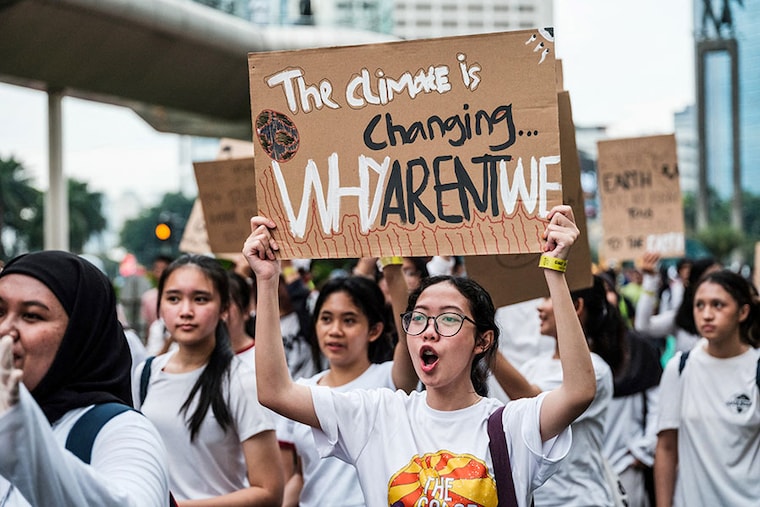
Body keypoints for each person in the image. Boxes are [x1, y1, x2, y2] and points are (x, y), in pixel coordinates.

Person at [244, 205, 597, 507]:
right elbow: (276, 392)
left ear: (483, 341)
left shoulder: (512, 424)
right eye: (419, 318)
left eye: (448, 318)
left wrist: (554, 271)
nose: (429, 329)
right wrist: (267, 280)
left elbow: (579, 391)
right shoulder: (377, 416)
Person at [0, 250, 170, 506]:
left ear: (79, 335)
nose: (5, 329)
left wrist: (18, 431)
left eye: (32, 315)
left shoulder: (121, 431)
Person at [133, 254, 284, 506]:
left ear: (224, 309)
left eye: (200, 299)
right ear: (160, 307)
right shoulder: (145, 373)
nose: (185, 311)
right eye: (173, 299)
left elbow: (269, 492)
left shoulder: (241, 382)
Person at [278, 265, 419, 506]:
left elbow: (408, 340)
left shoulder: (390, 381)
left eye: (349, 320)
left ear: (374, 330)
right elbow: (300, 476)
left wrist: (392, 269)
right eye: (326, 319)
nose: (335, 331)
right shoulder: (300, 391)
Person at [491, 275, 617, 506]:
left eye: (548, 297)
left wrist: (485, 343)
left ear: (576, 306)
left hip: (578, 500)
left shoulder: (594, 369)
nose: (539, 306)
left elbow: (533, 402)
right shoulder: (532, 365)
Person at [654, 269, 760, 507]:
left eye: (718, 305)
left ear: (743, 312)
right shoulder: (679, 368)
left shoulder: (756, 368)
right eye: (699, 305)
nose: (707, 315)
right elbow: (667, 447)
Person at [635, 253, 720, 354]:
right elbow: (643, 326)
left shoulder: (733, 317)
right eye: (710, 279)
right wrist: (650, 280)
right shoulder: (681, 318)